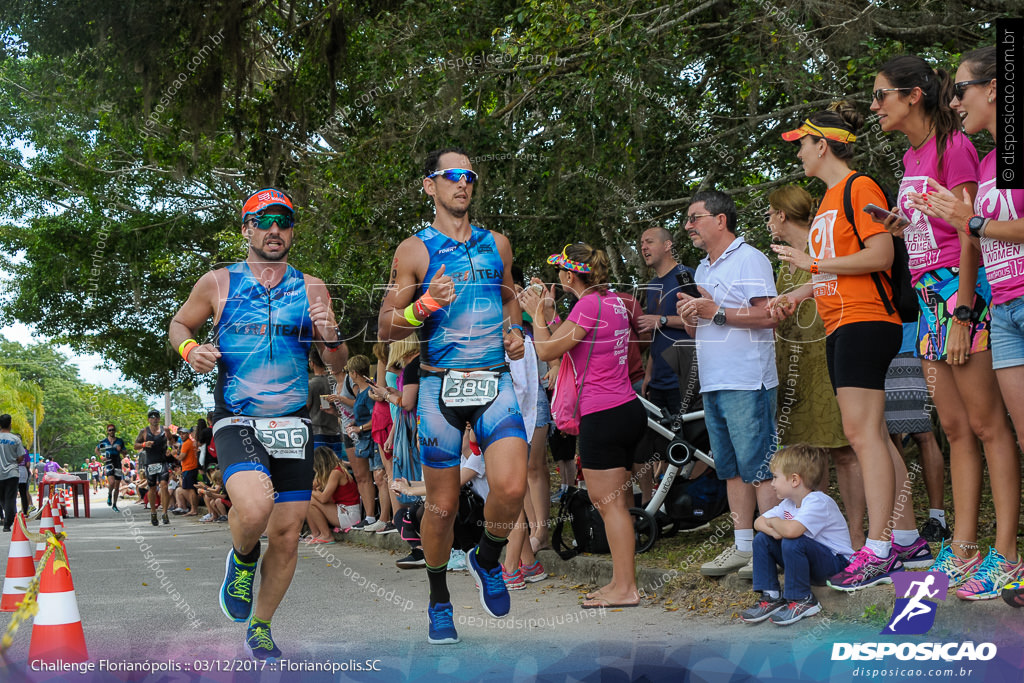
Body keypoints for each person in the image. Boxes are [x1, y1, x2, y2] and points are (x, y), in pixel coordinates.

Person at [168, 187, 349, 660]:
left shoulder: (311, 286)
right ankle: (243, 559)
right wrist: (192, 350)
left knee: (288, 534)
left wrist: (330, 336)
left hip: (292, 423)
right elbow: (179, 325)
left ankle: (261, 628)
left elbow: (337, 363)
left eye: (283, 221)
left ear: (291, 230)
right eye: (264, 220)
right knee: (253, 510)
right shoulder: (218, 282)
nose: (275, 229)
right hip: (238, 418)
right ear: (246, 228)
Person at [872, 54, 1019, 600]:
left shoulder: (955, 146)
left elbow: (970, 233)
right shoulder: (912, 156)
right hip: (928, 296)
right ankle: (963, 547)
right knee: (955, 429)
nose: (874, 106)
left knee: (987, 426)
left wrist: (962, 310)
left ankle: (1004, 552)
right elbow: (939, 222)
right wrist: (904, 225)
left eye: (881, 94)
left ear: (913, 95)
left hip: (963, 296)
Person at [377, 147, 528, 644]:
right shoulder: (414, 250)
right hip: (440, 384)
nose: (463, 184)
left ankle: (486, 559)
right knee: (440, 508)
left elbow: (509, 298)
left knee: (510, 487)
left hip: (494, 378)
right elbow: (386, 326)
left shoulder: (497, 244)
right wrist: (423, 305)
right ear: (430, 186)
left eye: (470, 176)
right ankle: (439, 599)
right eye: (452, 176)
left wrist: (515, 332)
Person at [770, 102, 919, 590]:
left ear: (823, 145)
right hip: (841, 322)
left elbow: (879, 253)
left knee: (863, 437)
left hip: (866, 321)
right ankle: (906, 537)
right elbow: (837, 266)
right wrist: (798, 291)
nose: (799, 156)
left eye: (802, 146)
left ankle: (877, 549)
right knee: (872, 434)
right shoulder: (831, 198)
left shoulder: (859, 187)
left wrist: (810, 266)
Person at [521, 242, 647, 608]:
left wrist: (537, 316)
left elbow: (546, 351)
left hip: (603, 414)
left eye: (560, 271)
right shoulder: (610, 303)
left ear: (568, 274)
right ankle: (621, 582)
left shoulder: (588, 304)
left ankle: (626, 588)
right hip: (625, 408)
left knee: (609, 506)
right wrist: (549, 315)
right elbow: (578, 342)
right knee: (616, 502)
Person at [674, 190, 780, 578]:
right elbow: (701, 324)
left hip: (748, 378)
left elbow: (769, 315)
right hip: (715, 379)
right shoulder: (702, 269)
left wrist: (713, 310)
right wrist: (691, 314)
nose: (688, 226)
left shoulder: (750, 258)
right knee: (731, 470)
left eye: (694, 217)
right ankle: (743, 547)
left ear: (721, 220)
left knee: (760, 468)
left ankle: (770, 548)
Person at [766, 186, 865, 551]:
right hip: (793, 366)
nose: (768, 222)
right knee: (807, 455)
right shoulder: (783, 260)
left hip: (827, 351)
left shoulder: (822, 244)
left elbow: (838, 283)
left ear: (781, 214)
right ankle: (816, 536)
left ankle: (856, 537)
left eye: (770, 214)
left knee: (844, 450)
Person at [739, 445, 854, 625]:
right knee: (762, 539)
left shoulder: (817, 501)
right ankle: (771, 596)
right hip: (811, 565)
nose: (773, 483)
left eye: (776, 477)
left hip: (837, 566)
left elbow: (791, 531)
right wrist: (775, 531)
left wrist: (776, 524)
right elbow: (758, 522)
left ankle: (802, 600)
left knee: (793, 541)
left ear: (794, 480)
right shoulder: (788, 504)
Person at [637, 227, 695, 505]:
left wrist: (661, 319)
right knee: (659, 445)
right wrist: (648, 373)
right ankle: (664, 505)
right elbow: (654, 333)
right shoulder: (651, 285)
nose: (644, 247)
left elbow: (700, 319)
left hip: (683, 372)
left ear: (668, 245)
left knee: (690, 443)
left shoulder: (685, 276)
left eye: (649, 242)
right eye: (641, 243)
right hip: (658, 375)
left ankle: (694, 499)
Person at [344, 355, 388, 532]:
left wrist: (359, 428)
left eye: (349, 372)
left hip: (374, 438)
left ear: (354, 373)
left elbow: (375, 418)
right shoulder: (362, 392)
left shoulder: (369, 392)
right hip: (368, 440)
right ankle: (372, 517)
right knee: (376, 477)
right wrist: (355, 424)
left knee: (380, 477)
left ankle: (383, 518)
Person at [305, 445, 361, 540]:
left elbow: (323, 498)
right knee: (306, 499)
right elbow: (313, 485)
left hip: (349, 515)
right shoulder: (330, 472)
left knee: (310, 499)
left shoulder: (336, 472)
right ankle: (316, 534)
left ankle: (326, 535)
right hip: (343, 511)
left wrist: (311, 491)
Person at [135, 410, 172, 526]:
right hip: (150, 462)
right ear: (148, 419)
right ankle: (153, 512)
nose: (154, 419)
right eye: (151, 417)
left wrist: (170, 450)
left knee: (164, 485)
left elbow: (171, 441)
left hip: (162, 462)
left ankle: (165, 513)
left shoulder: (165, 430)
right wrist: (144, 444)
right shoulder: (144, 432)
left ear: (159, 419)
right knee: (152, 488)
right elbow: (135, 445)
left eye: (156, 417)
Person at [0, 415, 22, 531]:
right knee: (10, 497)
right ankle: (8, 523)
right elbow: (20, 457)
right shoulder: (15, 439)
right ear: (10, 424)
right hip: (12, 473)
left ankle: (8, 517)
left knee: (2, 498)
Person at [173, 426, 199, 516]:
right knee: (188, 489)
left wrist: (174, 454)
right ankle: (189, 508)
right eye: (180, 434)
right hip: (190, 468)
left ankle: (193, 509)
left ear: (188, 434)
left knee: (190, 489)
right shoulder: (190, 443)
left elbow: (181, 457)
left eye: (183, 433)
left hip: (189, 468)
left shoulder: (186, 443)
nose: (181, 435)